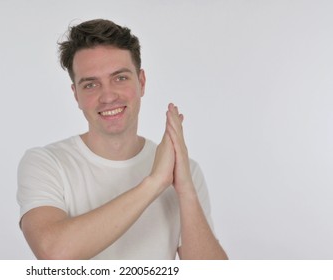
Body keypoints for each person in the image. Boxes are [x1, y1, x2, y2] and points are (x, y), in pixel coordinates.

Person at [17, 19, 227, 260]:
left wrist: (185, 189)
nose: (107, 96)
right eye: (91, 84)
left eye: (120, 78)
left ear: (142, 82)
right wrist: (155, 182)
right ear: (76, 95)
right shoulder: (46, 163)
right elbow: (54, 252)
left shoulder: (184, 171)